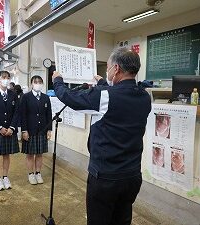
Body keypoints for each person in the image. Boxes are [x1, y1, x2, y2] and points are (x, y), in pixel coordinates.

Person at [52, 47, 151, 225]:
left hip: (105, 177)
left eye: (109, 67)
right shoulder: (145, 97)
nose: (108, 71)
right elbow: (120, 102)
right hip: (132, 176)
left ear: (117, 69)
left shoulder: (104, 96)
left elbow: (70, 97)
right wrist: (104, 84)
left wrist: (57, 81)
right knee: (121, 220)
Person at [0, 70, 20, 191]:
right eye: (3, 77)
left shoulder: (13, 94)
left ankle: (5, 177)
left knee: (6, 154)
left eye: (8, 77)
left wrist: (12, 127)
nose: (6, 79)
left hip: (10, 130)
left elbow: (17, 112)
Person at [20, 75, 52, 185]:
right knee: (29, 154)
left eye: (39, 82)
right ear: (31, 84)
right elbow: (22, 115)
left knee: (39, 154)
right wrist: (24, 130)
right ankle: (30, 174)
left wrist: (49, 129)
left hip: (42, 130)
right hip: (30, 129)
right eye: (35, 82)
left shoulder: (45, 97)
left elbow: (49, 114)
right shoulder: (26, 97)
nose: (38, 83)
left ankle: (38, 173)